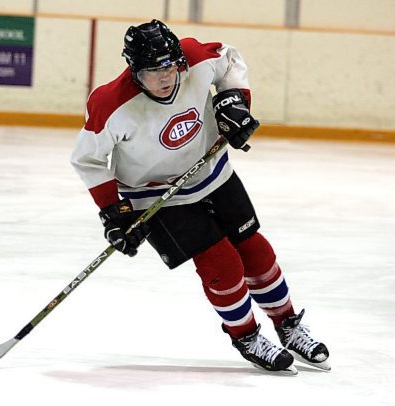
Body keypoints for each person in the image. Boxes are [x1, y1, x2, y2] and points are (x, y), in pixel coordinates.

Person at [71, 19, 329, 374]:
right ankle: (247, 336)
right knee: (222, 264)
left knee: (255, 250)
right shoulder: (109, 103)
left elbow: (230, 61)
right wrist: (114, 213)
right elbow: (88, 159)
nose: (165, 77)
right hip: (158, 195)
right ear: (134, 71)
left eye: (169, 66)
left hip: (213, 172)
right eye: (151, 71)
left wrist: (234, 100)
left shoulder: (193, 58)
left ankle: (287, 324)